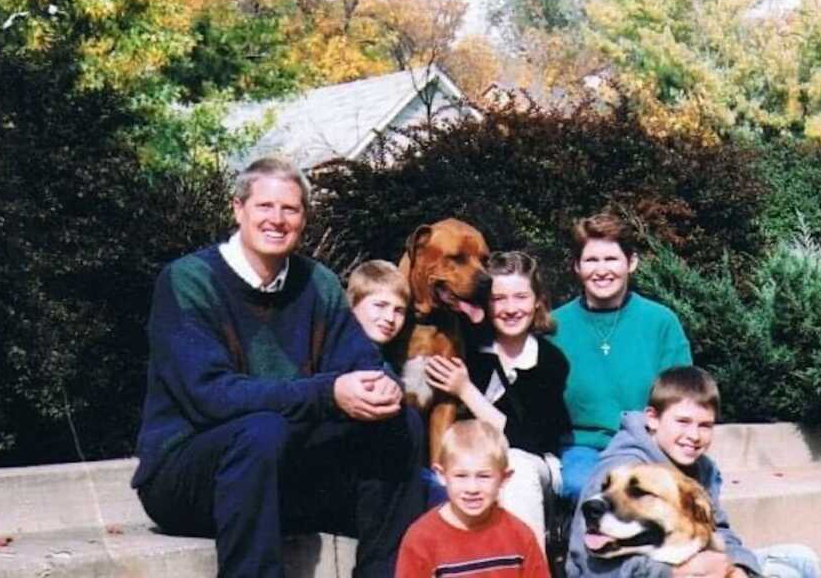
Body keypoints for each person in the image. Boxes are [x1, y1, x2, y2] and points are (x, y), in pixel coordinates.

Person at [131, 157, 425, 578]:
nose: (277, 219)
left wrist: (384, 388)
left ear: (304, 218)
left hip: (280, 471)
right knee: (261, 430)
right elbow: (210, 396)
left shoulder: (318, 283)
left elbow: (363, 362)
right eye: (265, 206)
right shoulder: (188, 280)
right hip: (185, 477)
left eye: (290, 209)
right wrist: (328, 393)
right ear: (238, 209)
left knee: (401, 422)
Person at [567, 366, 821, 578]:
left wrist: (742, 569)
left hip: (698, 560)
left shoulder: (702, 467)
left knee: (802, 559)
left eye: (705, 425)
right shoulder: (619, 467)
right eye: (683, 422)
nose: (694, 436)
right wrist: (674, 573)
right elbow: (586, 565)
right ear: (652, 419)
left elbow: (719, 529)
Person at [425, 251, 571, 550]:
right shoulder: (470, 347)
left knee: (515, 468)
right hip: (470, 463)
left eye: (521, 297)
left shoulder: (549, 361)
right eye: (499, 298)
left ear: (537, 301)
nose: (511, 308)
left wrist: (465, 391)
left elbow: (527, 438)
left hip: (531, 463)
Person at [546, 212, 692, 501]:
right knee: (596, 489)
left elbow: (682, 398)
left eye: (611, 259)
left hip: (647, 445)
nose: (602, 270)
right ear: (577, 266)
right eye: (591, 260)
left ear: (631, 262)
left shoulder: (660, 322)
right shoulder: (553, 327)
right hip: (581, 449)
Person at [396, 419, 551, 578]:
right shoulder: (421, 539)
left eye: (484, 476)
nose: (472, 489)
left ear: (504, 478)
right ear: (441, 476)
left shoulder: (519, 534)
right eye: (461, 476)